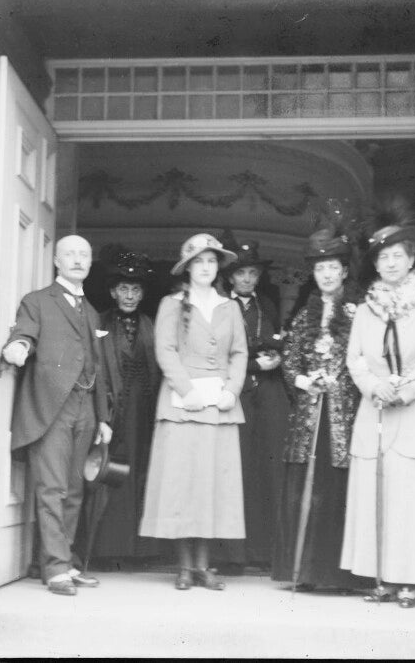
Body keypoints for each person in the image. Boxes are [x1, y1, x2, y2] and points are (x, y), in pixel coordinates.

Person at [340, 215, 415, 608]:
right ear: (375, 265)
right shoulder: (365, 310)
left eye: (397, 256)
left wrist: (404, 391)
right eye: (383, 257)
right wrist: (375, 387)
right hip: (375, 413)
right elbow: (354, 358)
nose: (390, 263)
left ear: (411, 260)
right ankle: (383, 578)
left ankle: (413, 581)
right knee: (381, 498)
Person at [1, 234, 112, 597]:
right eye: (70, 254)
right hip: (53, 407)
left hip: (85, 408)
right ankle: (55, 569)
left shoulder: (91, 310)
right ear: (57, 261)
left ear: (90, 262)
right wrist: (18, 346)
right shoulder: (37, 302)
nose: (78, 260)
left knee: (75, 490)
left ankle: (64, 560)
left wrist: (103, 418)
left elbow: (97, 366)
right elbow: (25, 333)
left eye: (84, 254)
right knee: (52, 488)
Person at [139, 233, 248, 591]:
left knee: (212, 486)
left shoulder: (230, 307)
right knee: (181, 485)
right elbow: (165, 350)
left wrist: (232, 389)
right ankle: (184, 567)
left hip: (219, 406)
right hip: (182, 406)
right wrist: (186, 390)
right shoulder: (172, 304)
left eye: (212, 261)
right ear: (187, 268)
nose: (206, 267)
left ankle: (204, 566)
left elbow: (239, 353)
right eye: (199, 261)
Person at [272, 228, 372, 592]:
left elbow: (367, 359)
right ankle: (303, 573)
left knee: (336, 491)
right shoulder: (302, 316)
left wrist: (339, 380)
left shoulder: (360, 312)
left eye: (333, 267)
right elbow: (289, 361)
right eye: (320, 269)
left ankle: (337, 576)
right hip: (308, 416)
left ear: (344, 271)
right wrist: (304, 380)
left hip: (343, 414)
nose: (327, 275)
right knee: (305, 490)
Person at [80, 251, 161, 568]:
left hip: (143, 412)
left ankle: (138, 553)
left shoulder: (150, 325)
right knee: (108, 475)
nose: (129, 295)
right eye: (124, 289)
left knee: (139, 475)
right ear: (114, 291)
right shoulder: (99, 323)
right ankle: (103, 551)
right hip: (111, 412)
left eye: (136, 290)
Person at [215, 239, 289, 571]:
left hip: (268, 395)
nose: (246, 279)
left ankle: (264, 553)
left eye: (252, 273)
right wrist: (258, 364)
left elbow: (276, 343)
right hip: (236, 393)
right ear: (230, 277)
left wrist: (275, 356)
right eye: (241, 273)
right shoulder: (219, 306)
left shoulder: (268, 306)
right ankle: (232, 556)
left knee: (267, 469)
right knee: (235, 470)